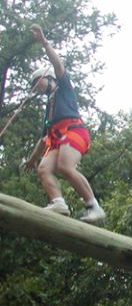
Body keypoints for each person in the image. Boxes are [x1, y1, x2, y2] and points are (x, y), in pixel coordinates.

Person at [23, 24, 106, 224]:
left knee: (65, 167)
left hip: (74, 132)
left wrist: (44, 42)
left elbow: (58, 64)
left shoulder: (63, 88)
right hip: (58, 139)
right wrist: (31, 160)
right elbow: (44, 139)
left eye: (37, 81)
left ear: (48, 78)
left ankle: (93, 206)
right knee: (44, 168)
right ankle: (58, 202)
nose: (36, 86)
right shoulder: (49, 108)